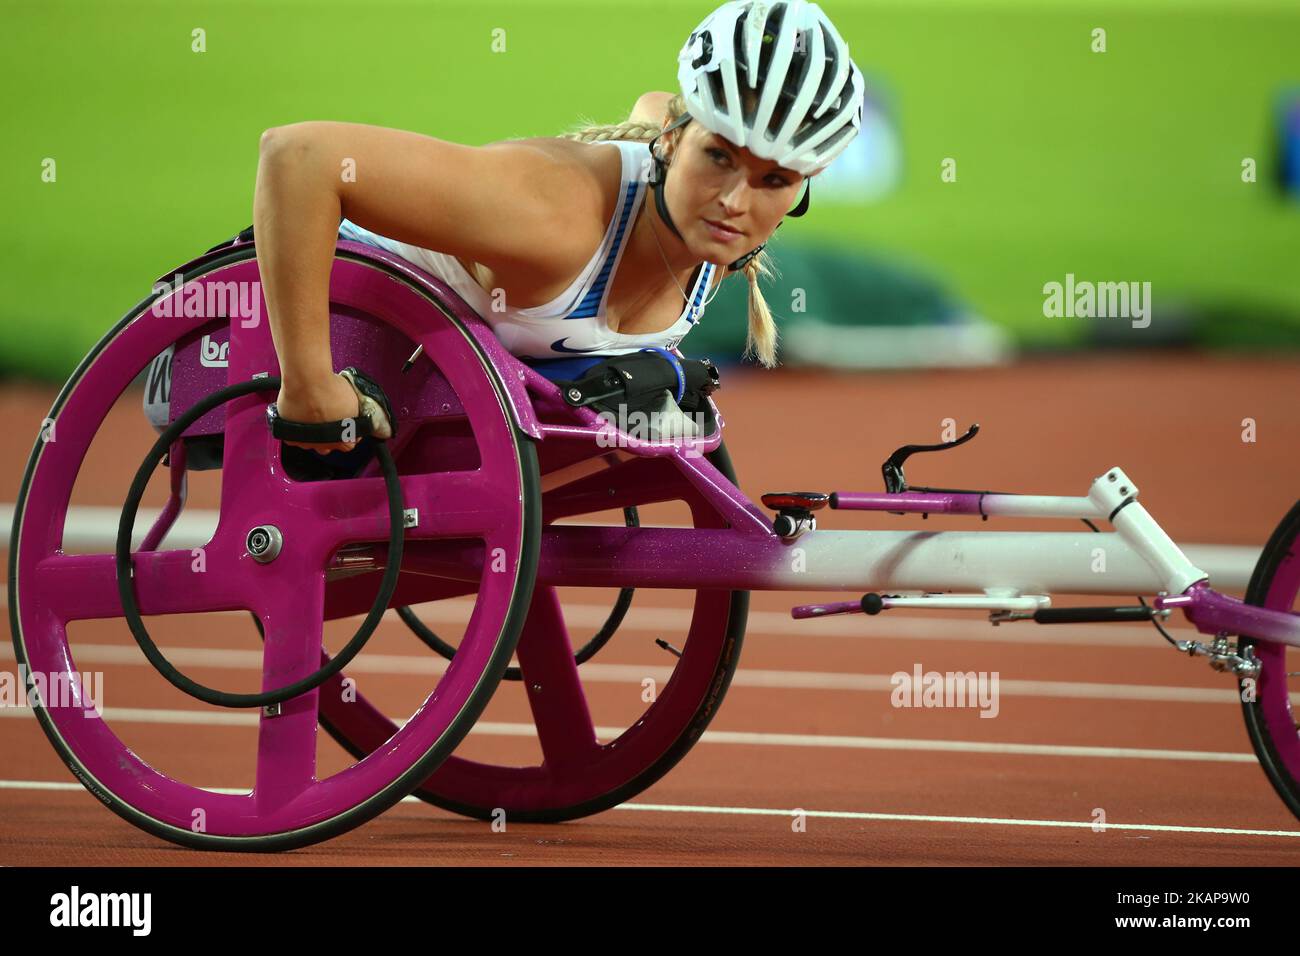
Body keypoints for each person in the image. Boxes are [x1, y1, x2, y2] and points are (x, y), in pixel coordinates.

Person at [254, 0, 865, 452]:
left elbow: (654, 105)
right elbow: (298, 159)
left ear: (800, 191)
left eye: (774, 182)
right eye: (719, 157)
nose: (735, 201)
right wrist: (308, 386)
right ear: (675, 143)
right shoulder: (551, 217)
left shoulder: (703, 213)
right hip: (304, 316)